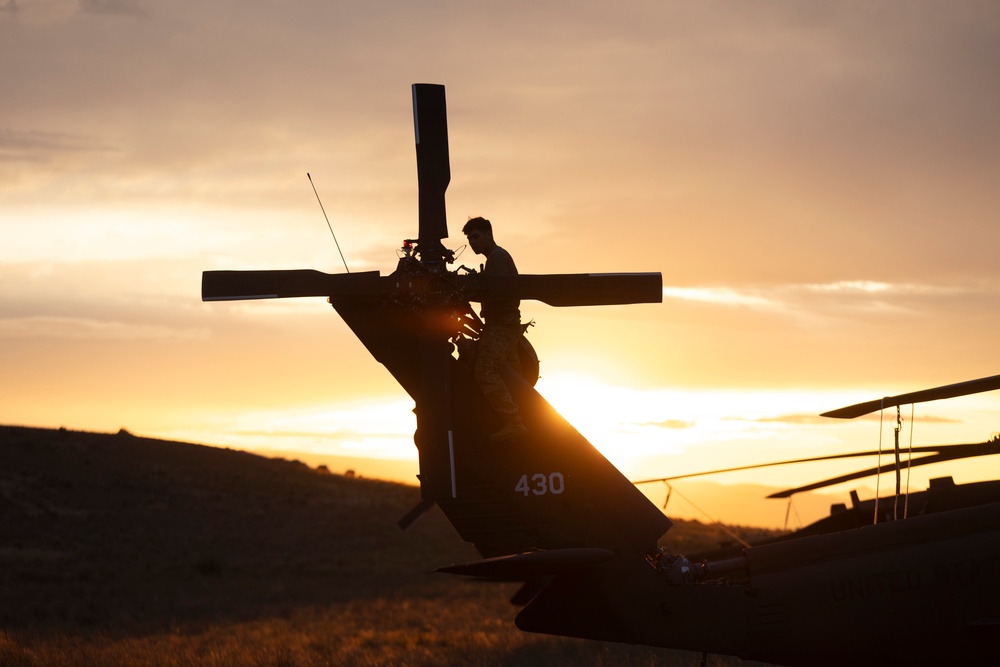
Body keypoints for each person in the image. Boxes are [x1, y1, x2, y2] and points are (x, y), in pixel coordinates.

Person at [463, 216, 528, 441]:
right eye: (470, 239)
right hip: (505, 325)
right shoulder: (495, 258)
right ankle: (525, 421)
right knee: (515, 379)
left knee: (485, 371)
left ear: (489, 234)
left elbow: (498, 293)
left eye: (476, 237)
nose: (473, 243)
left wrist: (475, 288)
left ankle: (514, 423)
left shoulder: (498, 257)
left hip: (502, 326)